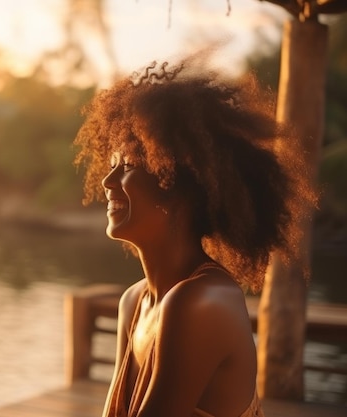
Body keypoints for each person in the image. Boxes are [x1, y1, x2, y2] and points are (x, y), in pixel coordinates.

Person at [73, 56, 316, 417]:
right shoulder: (135, 301)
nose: (108, 183)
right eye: (111, 166)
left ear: (179, 183)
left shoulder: (201, 301)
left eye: (128, 167)